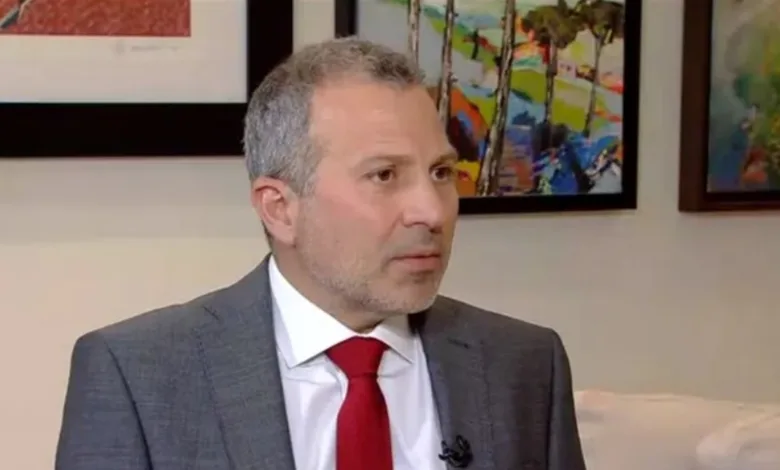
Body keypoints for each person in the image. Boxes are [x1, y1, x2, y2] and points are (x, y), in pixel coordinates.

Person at [55, 37, 586, 470]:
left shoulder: (525, 364)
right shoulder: (138, 376)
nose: (432, 211)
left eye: (442, 172)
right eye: (385, 175)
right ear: (280, 209)